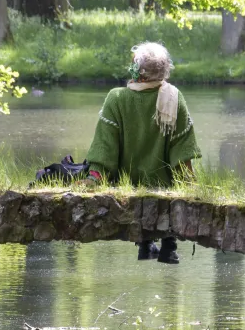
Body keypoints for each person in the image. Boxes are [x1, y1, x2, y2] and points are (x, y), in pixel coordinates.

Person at [85, 42, 201, 264]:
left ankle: (145, 245)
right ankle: (169, 247)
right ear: (165, 70)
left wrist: (94, 177)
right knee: (167, 188)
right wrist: (192, 186)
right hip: (165, 186)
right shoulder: (174, 97)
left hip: (128, 185)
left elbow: (105, 147)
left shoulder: (116, 98)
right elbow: (182, 152)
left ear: (137, 71)